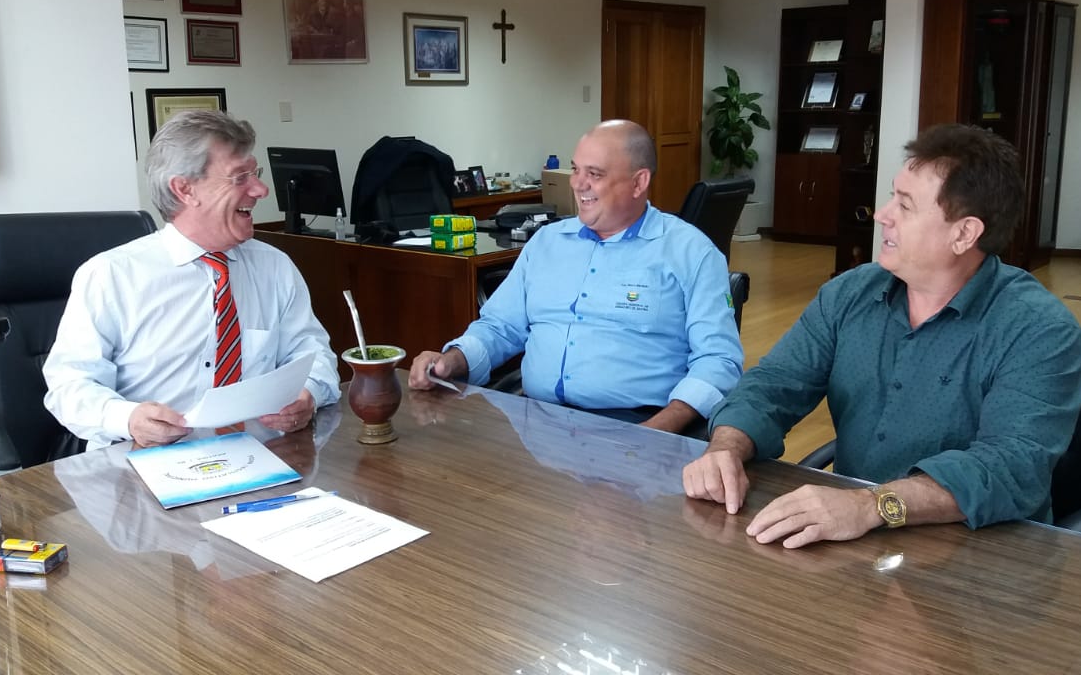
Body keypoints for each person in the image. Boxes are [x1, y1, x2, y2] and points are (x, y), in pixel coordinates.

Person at [683, 123, 1081, 547]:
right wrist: (726, 447)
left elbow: (1011, 466)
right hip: (856, 540)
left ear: (964, 233)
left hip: (981, 552)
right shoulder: (850, 293)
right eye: (892, 196)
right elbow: (773, 384)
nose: (882, 214)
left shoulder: (1037, 329)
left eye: (905, 205)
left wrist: (872, 506)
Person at [408, 119, 743, 435]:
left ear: (639, 182)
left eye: (594, 174)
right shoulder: (546, 243)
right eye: (576, 169)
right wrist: (452, 360)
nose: (577, 183)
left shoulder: (691, 252)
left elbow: (718, 359)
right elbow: (500, 327)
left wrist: (657, 431)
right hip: (536, 426)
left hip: (636, 424)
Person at [43, 110, 341, 449]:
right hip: (143, 464)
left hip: (261, 457)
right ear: (185, 189)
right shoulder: (112, 276)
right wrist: (127, 418)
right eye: (240, 177)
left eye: (255, 174)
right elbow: (68, 385)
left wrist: (309, 393)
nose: (261, 190)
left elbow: (314, 354)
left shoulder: (274, 267)